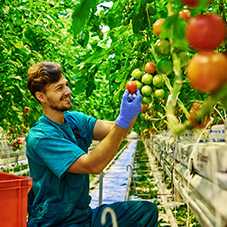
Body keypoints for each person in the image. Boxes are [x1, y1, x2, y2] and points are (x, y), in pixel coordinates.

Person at [26, 61, 158, 227]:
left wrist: (131, 109)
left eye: (66, 85)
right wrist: (124, 119)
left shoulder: (74, 120)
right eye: (59, 88)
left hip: (83, 217)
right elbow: (92, 165)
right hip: (55, 222)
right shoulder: (41, 136)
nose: (68, 91)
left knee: (145, 211)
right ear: (41, 97)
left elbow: (117, 130)